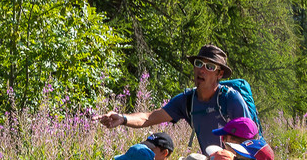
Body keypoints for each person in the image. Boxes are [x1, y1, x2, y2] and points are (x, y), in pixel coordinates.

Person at [94, 44, 250, 153]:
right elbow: (149, 118)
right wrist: (122, 118)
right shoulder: (187, 101)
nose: (202, 70)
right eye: (199, 63)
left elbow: (251, 139)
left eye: (209, 67)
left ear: (220, 74)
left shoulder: (230, 100)